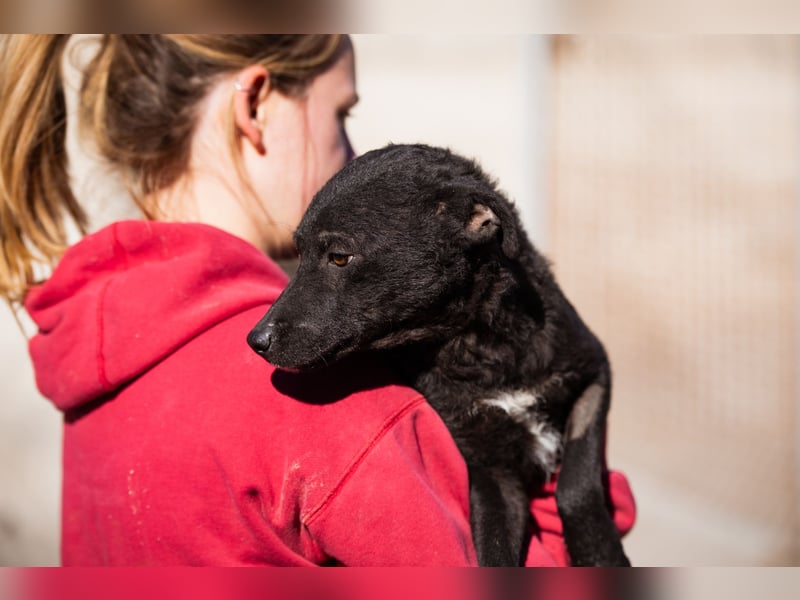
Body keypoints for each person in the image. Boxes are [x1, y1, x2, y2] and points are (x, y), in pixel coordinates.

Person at [0, 34, 635, 566]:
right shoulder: (342, 405)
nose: (351, 154)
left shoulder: (96, 340)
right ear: (254, 104)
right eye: (341, 115)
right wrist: (568, 501)